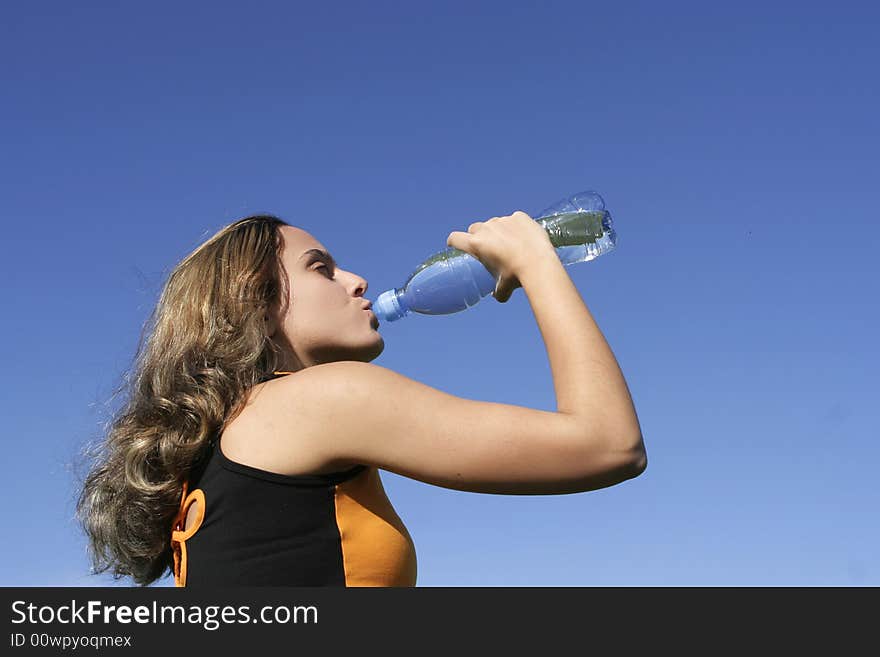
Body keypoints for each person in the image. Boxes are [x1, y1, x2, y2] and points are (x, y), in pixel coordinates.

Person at [76, 210, 647, 587]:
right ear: (256, 304)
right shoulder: (318, 401)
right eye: (321, 268)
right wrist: (537, 261)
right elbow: (609, 444)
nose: (356, 280)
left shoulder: (215, 455)